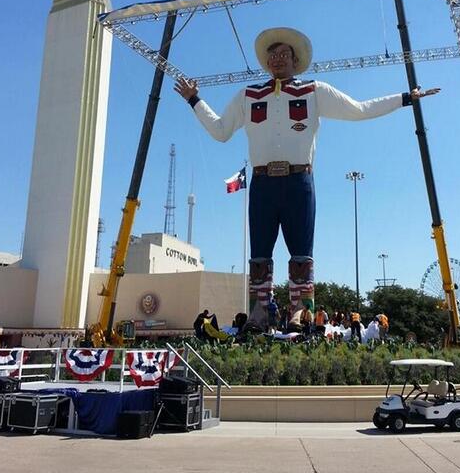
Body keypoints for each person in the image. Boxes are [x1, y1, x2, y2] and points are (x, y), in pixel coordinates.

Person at [176, 27, 439, 331]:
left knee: (301, 255)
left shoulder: (314, 91)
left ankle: (300, 312)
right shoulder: (249, 96)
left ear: (295, 59)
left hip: (299, 181)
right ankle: (260, 313)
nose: (277, 59)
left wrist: (405, 98)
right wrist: (194, 100)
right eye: (272, 55)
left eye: (284, 54)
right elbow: (221, 131)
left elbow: (359, 109)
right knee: (259, 255)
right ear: (265, 61)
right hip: (262, 184)